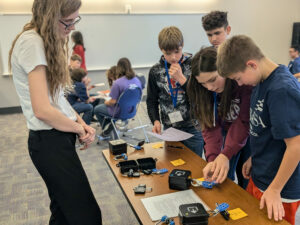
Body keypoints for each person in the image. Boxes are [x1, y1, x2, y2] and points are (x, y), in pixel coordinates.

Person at [8, 0, 102, 224]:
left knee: (63, 213)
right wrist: (79, 127)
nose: (72, 28)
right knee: (87, 216)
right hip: (49, 141)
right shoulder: (32, 43)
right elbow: (42, 110)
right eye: (67, 22)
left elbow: (57, 98)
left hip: (57, 137)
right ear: (50, 17)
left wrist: (81, 122)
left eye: (74, 21)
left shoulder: (42, 41)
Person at [217, 35, 300, 225]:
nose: (239, 84)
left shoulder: (282, 90)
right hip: (261, 175)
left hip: (280, 188)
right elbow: (267, 128)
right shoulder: (261, 80)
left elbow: (296, 146)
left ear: (252, 64)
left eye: (238, 78)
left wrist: (275, 189)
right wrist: (254, 157)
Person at [187, 47, 252, 189]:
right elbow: (210, 126)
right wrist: (213, 159)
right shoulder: (203, 91)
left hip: (248, 132)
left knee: (247, 176)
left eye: (212, 80)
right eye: (203, 83)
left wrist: (226, 154)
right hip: (226, 131)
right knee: (220, 173)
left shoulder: (242, 83)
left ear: (224, 70)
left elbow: (243, 122)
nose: (209, 87)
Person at [146, 26, 204, 157]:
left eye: (177, 51)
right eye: (168, 53)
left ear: (182, 45)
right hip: (170, 127)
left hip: (193, 127)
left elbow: (201, 96)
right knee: (174, 166)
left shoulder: (194, 65)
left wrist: (182, 80)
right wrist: (155, 120)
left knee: (195, 168)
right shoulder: (155, 71)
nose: (173, 57)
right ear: (161, 49)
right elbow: (151, 100)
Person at [94, 57, 142, 135]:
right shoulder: (137, 80)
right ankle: (111, 126)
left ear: (119, 68)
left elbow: (112, 102)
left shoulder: (118, 83)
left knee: (96, 109)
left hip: (118, 112)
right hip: (131, 111)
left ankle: (107, 130)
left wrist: (106, 102)